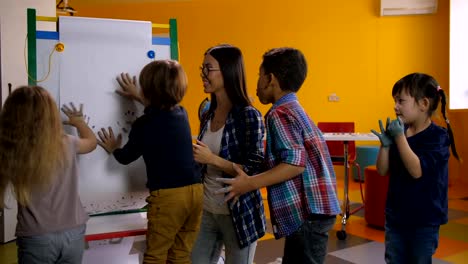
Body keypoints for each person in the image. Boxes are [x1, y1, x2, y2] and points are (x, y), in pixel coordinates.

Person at [217, 47, 341, 264]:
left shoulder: (279, 113)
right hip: (315, 210)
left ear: (270, 79)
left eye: (259, 75)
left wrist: (250, 183)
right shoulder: (294, 108)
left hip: (307, 212)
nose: (256, 83)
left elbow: (294, 164)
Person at [97, 60, 203, 264]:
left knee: (155, 254)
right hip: (196, 192)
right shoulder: (182, 114)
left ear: (146, 92)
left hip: (169, 197)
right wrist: (138, 96)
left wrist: (113, 148)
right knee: (180, 253)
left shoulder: (143, 125)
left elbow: (126, 157)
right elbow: (160, 110)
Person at [0, 85, 97, 264]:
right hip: (74, 232)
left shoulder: (12, 149)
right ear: (51, 115)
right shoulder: (67, 143)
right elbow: (91, 143)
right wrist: (79, 122)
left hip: (37, 235)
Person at [370, 73, 460, 263]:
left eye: (401, 101)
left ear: (424, 104)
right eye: (394, 101)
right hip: (396, 217)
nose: (395, 106)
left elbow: (416, 170)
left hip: (424, 220)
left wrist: (399, 138)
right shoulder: (399, 132)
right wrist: (385, 146)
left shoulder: (438, 137)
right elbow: (382, 170)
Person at [191, 44, 266, 264]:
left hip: (238, 213)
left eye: (208, 68)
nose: (203, 75)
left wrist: (211, 159)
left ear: (228, 71)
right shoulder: (207, 113)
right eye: (202, 68)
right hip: (207, 210)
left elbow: (255, 170)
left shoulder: (249, 115)